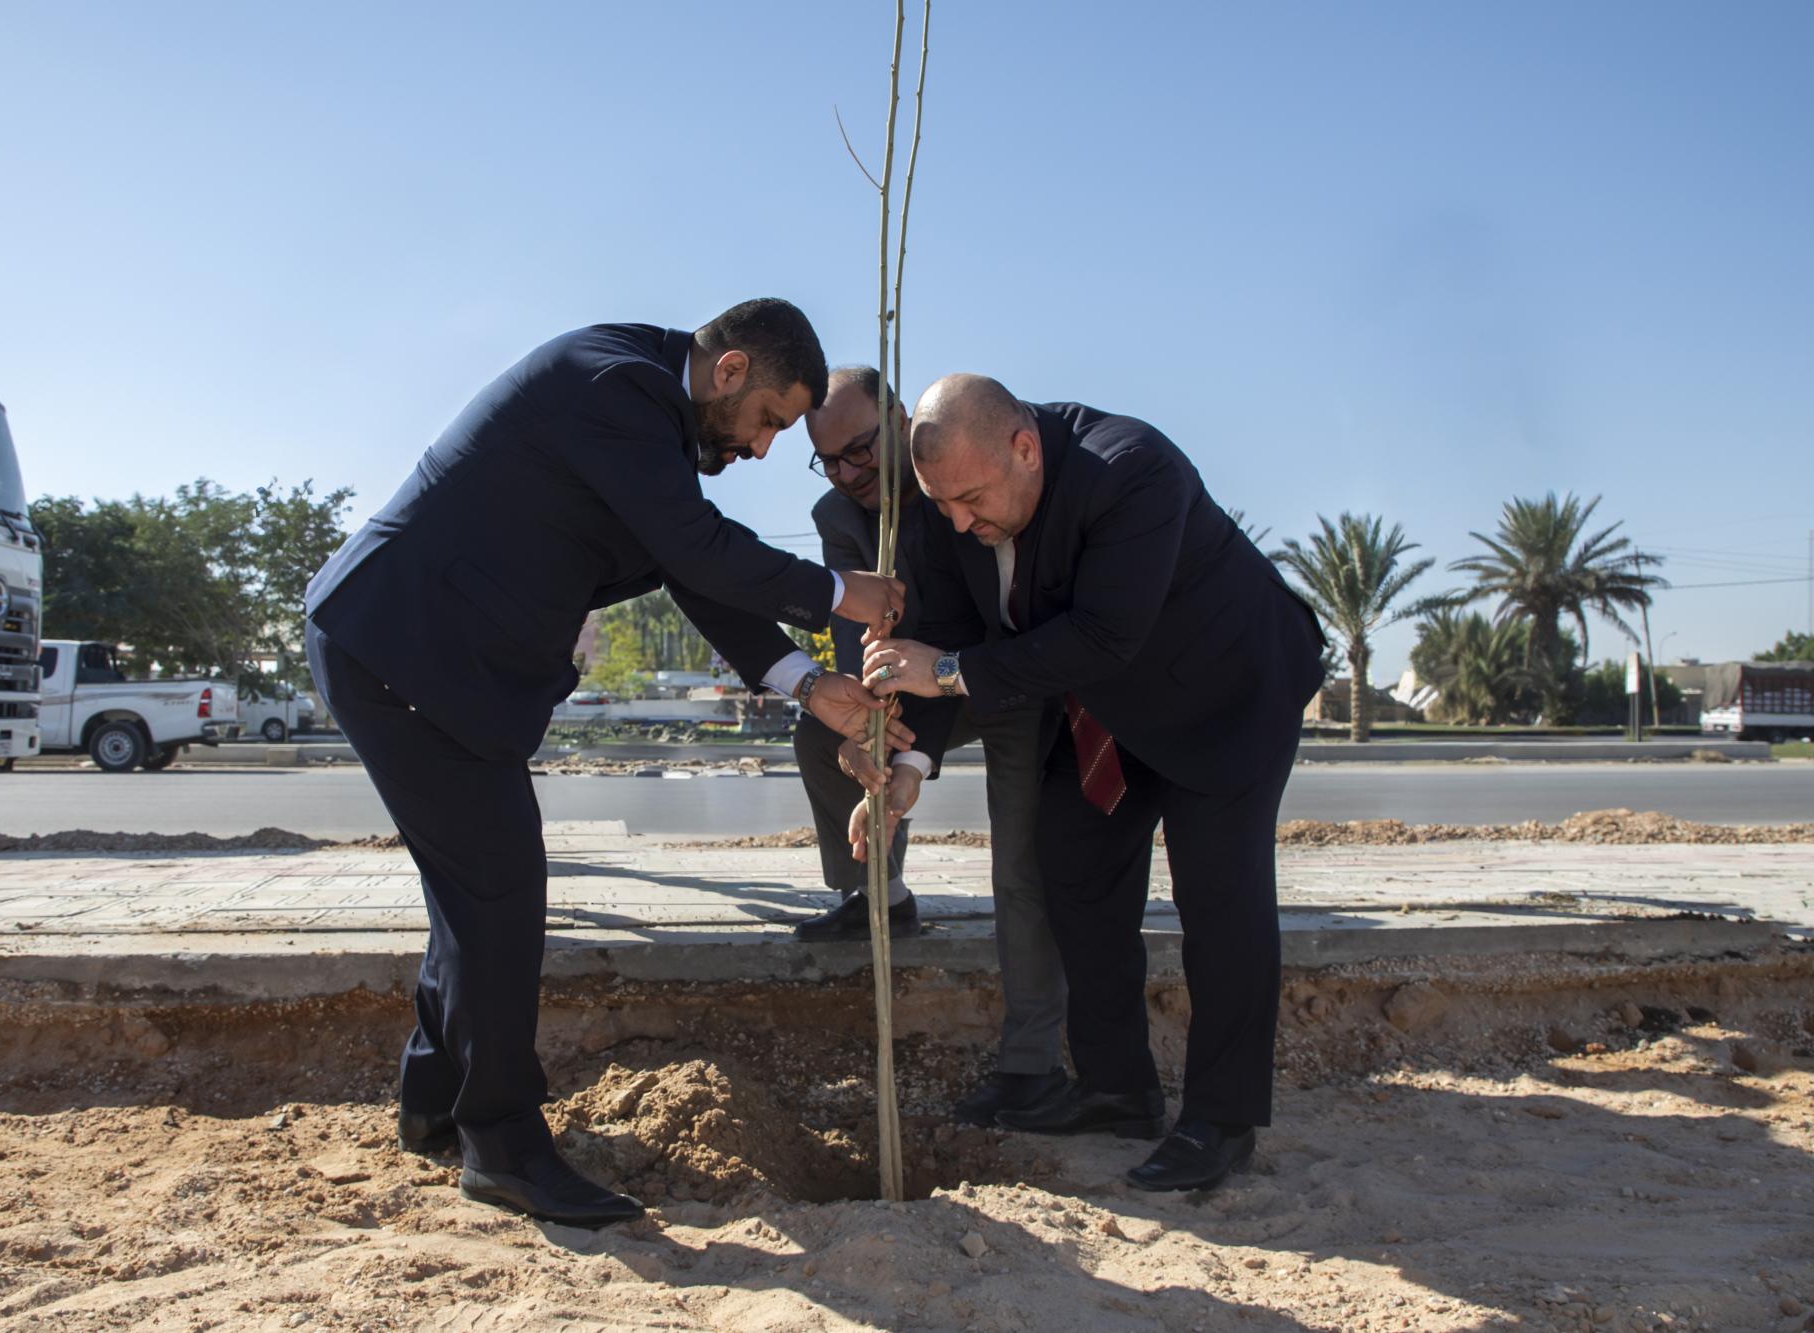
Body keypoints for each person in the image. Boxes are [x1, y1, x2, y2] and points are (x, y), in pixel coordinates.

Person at [304, 300, 909, 1227]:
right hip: (406, 648)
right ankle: (503, 1144)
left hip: (420, 656)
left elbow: (690, 566)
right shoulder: (613, 386)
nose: (762, 448)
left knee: (475, 892)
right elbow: (699, 547)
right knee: (499, 890)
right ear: (731, 370)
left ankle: (434, 1103)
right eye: (769, 421)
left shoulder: (647, 418)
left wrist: (806, 682)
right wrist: (836, 589)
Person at [858, 374, 1324, 1192]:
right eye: (942, 504)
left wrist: (950, 671)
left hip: (1227, 692)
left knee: (1221, 896)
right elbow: (948, 636)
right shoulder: (949, 500)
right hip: (1110, 710)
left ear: (1025, 449)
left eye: (971, 500)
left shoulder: (1132, 469)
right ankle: (1118, 1090)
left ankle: (1222, 1119)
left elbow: (1099, 635)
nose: (959, 522)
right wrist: (907, 766)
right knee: (1070, 862)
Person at [789, 366, 1071, 1126]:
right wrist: (868, 730)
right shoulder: (837, 514)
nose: (848, 475)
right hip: (915, 677)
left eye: (860, 451)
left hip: (1005, 676)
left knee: (1021, 864)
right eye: (828, 461)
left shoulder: (964, 478)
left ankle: (1032, 1062)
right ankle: (878, 895)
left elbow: (977, 625)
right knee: (820, 733)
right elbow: (858, 637)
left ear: (900, 420)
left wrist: (919, 744)